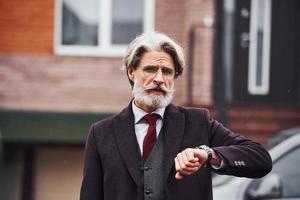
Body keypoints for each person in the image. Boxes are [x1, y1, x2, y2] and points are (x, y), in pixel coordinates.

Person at [80, 32, 272, 200]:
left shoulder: (198, 122)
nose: (159, 79)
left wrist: (208, 154)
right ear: (131, 72)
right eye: (150, 69)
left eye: (167, 72)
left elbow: (261, 159)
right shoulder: (101, 133)